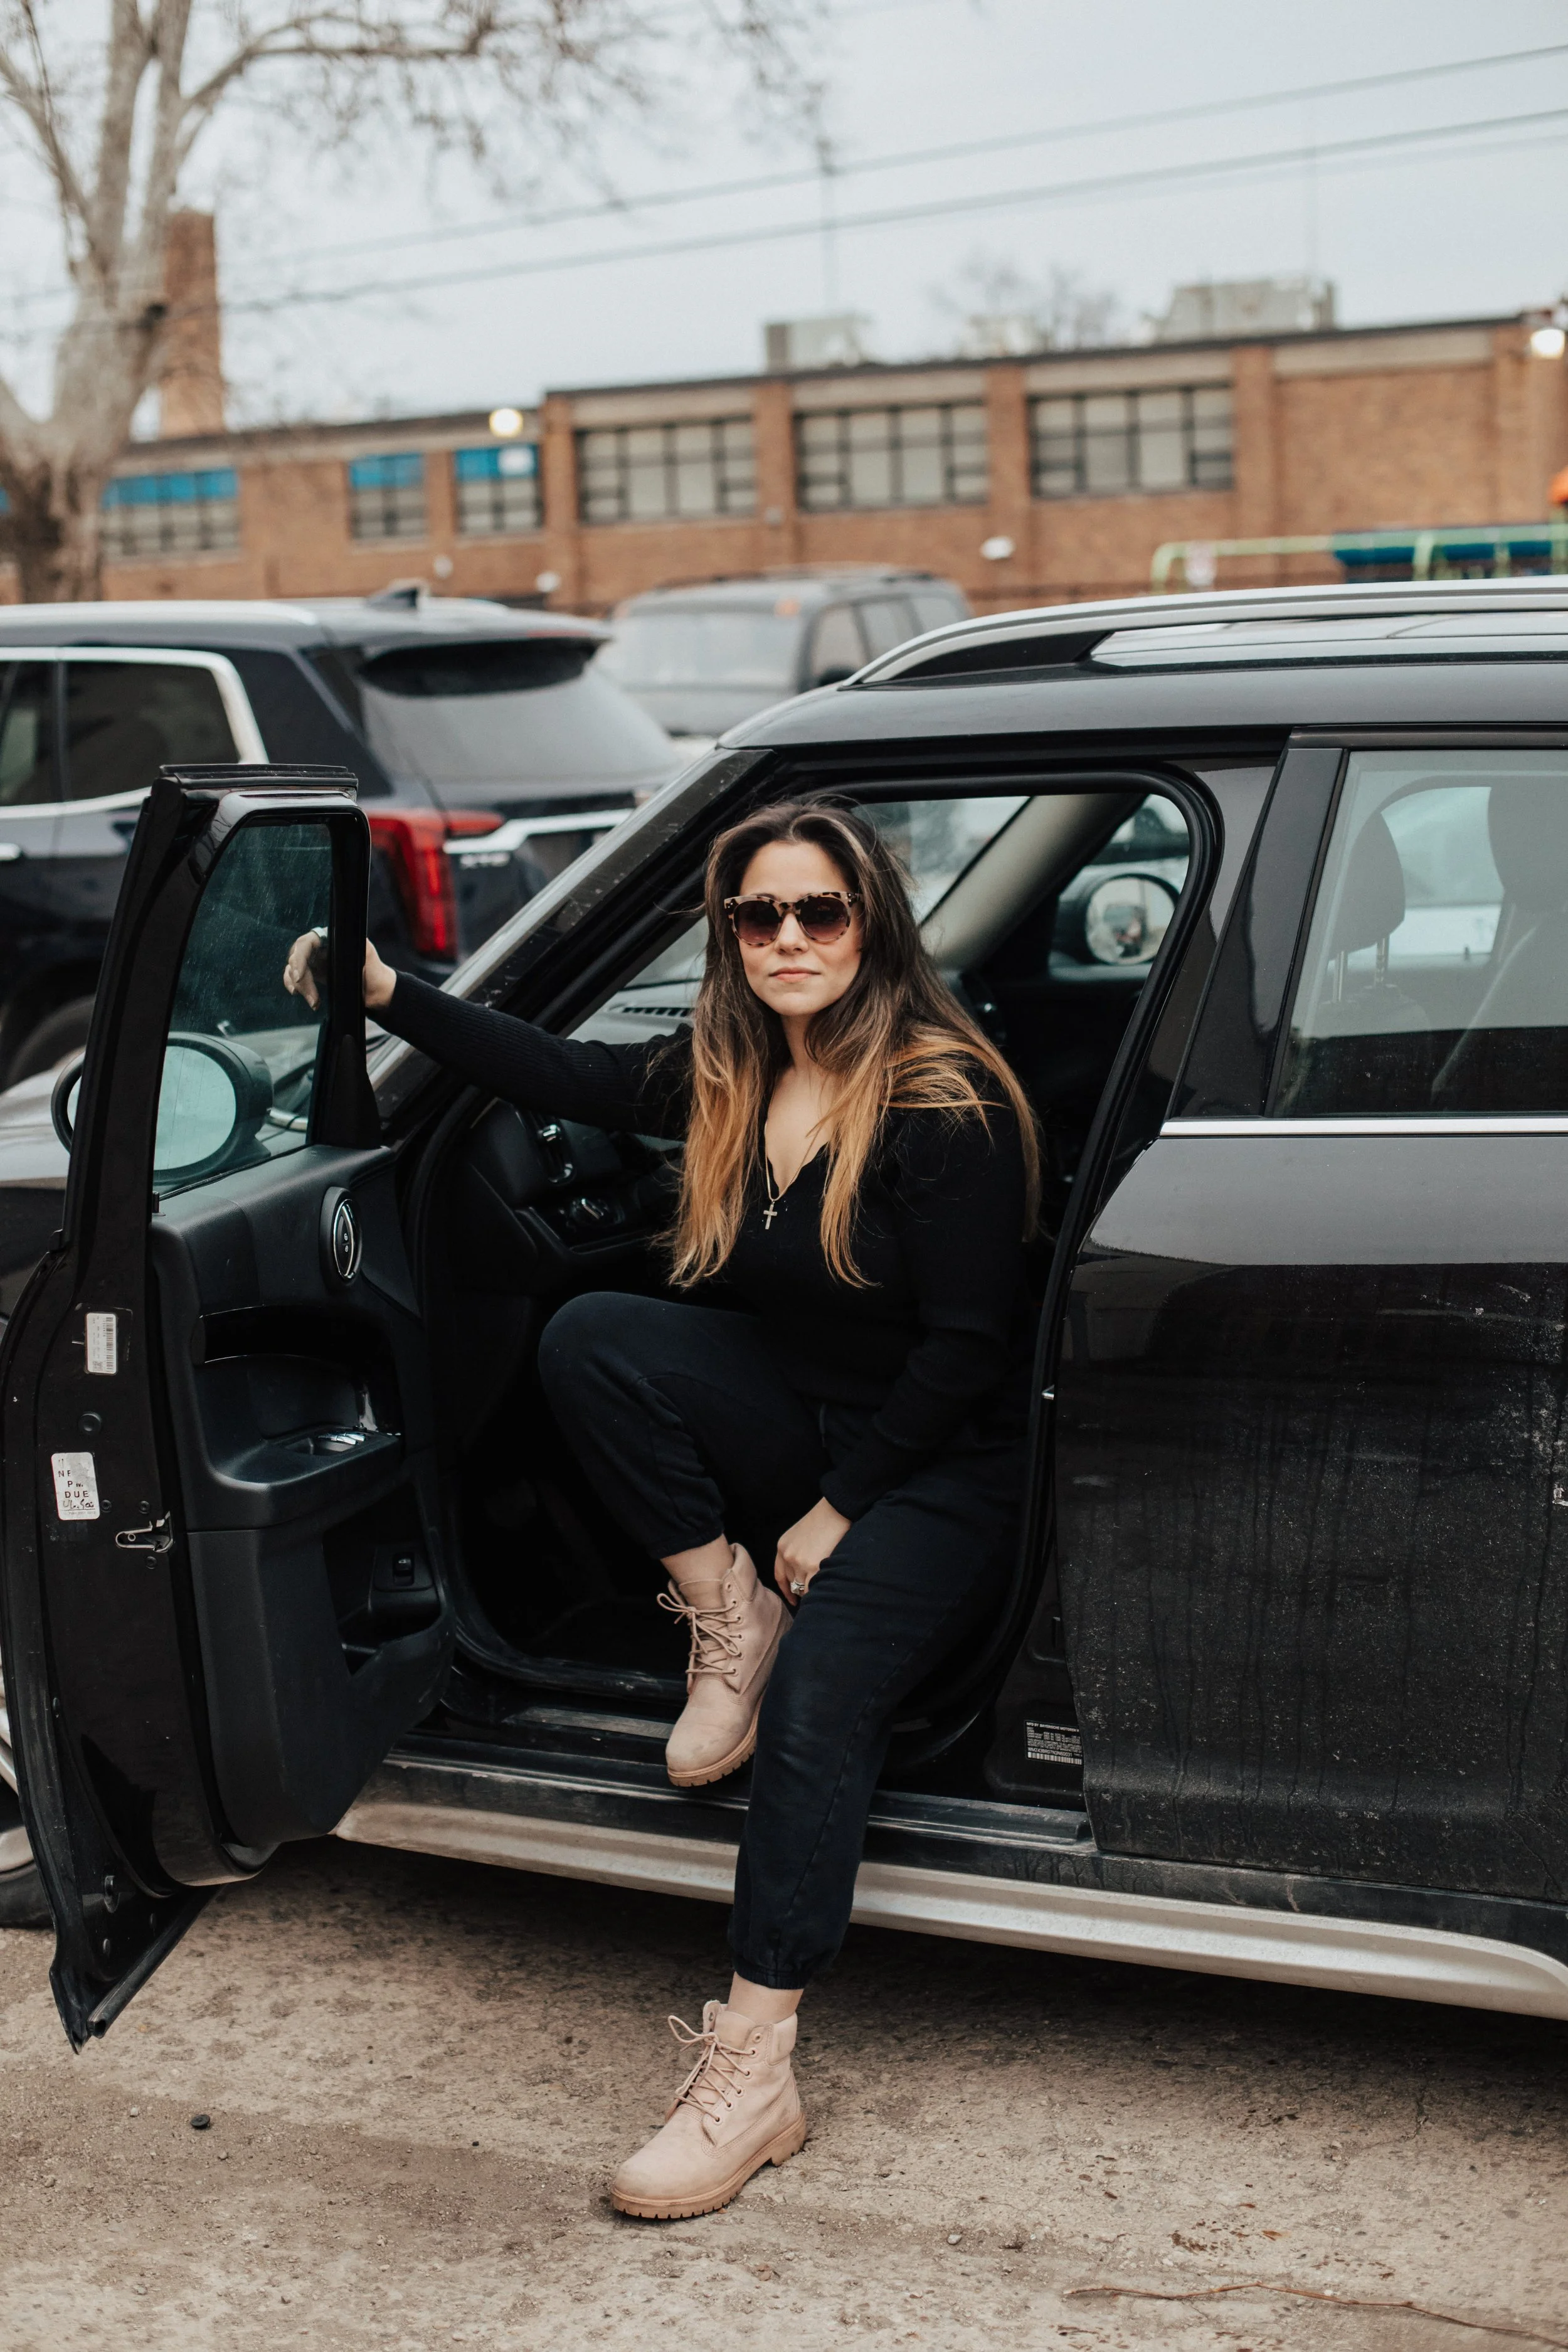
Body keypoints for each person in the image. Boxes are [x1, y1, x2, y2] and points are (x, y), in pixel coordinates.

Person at [285, 799, 1039, 2220]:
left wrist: (836, 1511)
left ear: (871, 922)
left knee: (819, 1710)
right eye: (759, 917)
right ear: (729, 935)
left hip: (939, 1466)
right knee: (592, 1337)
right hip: (807, 1417)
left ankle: (752, 2072)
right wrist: (389, 994)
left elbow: (968, 1348)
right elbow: (558, 1069)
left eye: (820, 912)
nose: (789, 941)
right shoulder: (728, 1073)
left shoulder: (944, 1101)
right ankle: (723, 1612)